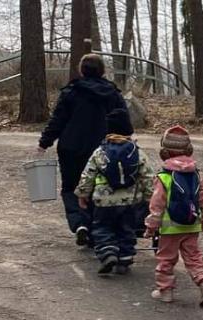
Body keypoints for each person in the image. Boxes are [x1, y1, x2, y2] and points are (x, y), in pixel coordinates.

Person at [39, 54, 128, 246]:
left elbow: (58, 120)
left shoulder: (71, 91)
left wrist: (45, 141)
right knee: (99, 186)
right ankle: (96, 228)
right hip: (104, 149)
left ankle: (80, 224)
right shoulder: (112, 93)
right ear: (102, 70)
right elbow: (124, 123)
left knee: (71, 188)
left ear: (82, 70)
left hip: (71, 147)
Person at [143, 125, 203, 306]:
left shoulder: (164, 176)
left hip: (169, 228)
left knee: (166, 259)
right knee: (194, 256)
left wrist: (151, 227)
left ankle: (165, 291)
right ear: (189, 150)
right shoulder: (195, 175)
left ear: (164, 152)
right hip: (191, 225)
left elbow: (156, 205)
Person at [74, 109, 152, 275]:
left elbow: (88, 174)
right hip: (130, 202)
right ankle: (124, 259)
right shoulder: (136, 152)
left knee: (102, 228)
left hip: (103, 201)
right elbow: (147, 176)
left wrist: (82, 194)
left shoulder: (100, 152)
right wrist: (150, 197)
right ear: (129, 130)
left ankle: (108, 253)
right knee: (126, 229)